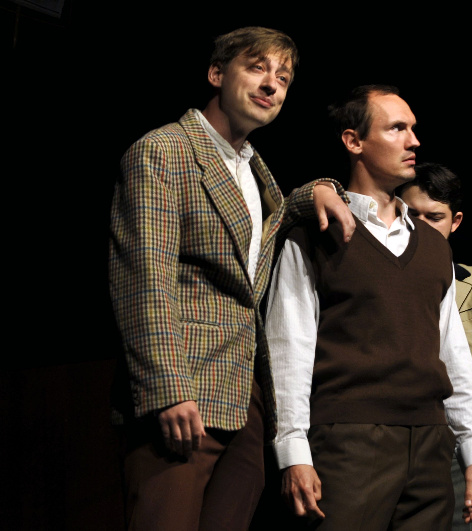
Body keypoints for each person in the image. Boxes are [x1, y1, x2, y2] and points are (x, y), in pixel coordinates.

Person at [108, 26, 356, 531]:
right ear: (217, 74)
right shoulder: (164, 150)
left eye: (282, 77)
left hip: (244, 397)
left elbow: (269, 224)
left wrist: (319, 189)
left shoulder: (253, 169)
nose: (271, 84)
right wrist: (168, 387)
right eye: (256, 67)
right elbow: (145, 281)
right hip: (184, 392)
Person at [266, 84, 472, 530]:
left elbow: (452, 353)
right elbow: (288, 348)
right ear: (354, 142)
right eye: (397, 129)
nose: (414, 141)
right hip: (349, 439)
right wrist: (293, 451)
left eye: (414, 129)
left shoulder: (434, 246)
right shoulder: (315, 235)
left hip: (430, 445)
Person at [397, 162, 472, 530]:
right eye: (412, 214)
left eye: (434, 217)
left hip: (463, 445)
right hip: (396, 436)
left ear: (456, 221)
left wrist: (417, 338)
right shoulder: (379, 278)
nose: (421, 226)